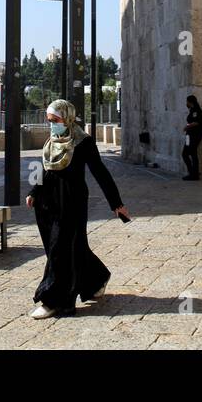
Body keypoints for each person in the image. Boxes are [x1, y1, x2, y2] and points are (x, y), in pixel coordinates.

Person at [26, 99, 128, 319]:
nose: (52, 125)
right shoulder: (53, 141)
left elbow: (100, 172)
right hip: (49, 201)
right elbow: (45, 169)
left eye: (55, 120)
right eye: (49, 121)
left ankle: (53, 300)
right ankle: (97, 279)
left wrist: (116, 203)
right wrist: (33, 192)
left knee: (58, 248)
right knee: (72, 247)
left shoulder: (83, 142)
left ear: (68, 118)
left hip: (72, 201)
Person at [181, 94, 202, 180]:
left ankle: (193, 174)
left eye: (187, 101)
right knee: (190, 153)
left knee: (188, 153)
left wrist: (187, 127)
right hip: (190, 135)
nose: (186, 103)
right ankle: (193, 173)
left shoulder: (196, 111)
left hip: (195, 135)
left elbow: (197, 122)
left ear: (190, 102)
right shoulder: (193, 110)